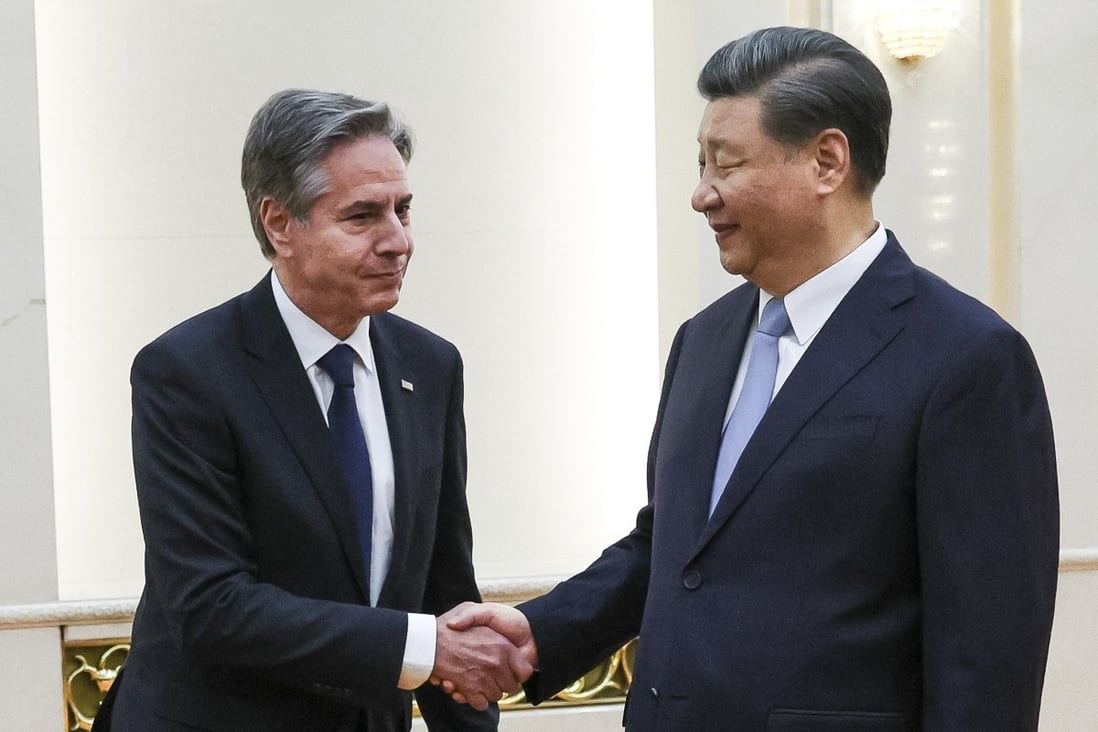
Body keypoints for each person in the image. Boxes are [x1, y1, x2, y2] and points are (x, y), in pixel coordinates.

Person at [440, 26, 1060, 731]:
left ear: (827, 161)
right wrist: (543, 629)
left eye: (726, 165)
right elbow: (675, 545)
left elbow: (986, 656)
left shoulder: (967, 357)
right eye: (700, 163)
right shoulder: (701, 342)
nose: (701, 195)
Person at [92, 89, 529, 732]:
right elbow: (211, 605)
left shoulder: (431, 367)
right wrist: (424, 648)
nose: (397, 241)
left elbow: (443, 590)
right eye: (362, 217)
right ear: (278, 224)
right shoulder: (187, 371)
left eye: (403, 211)